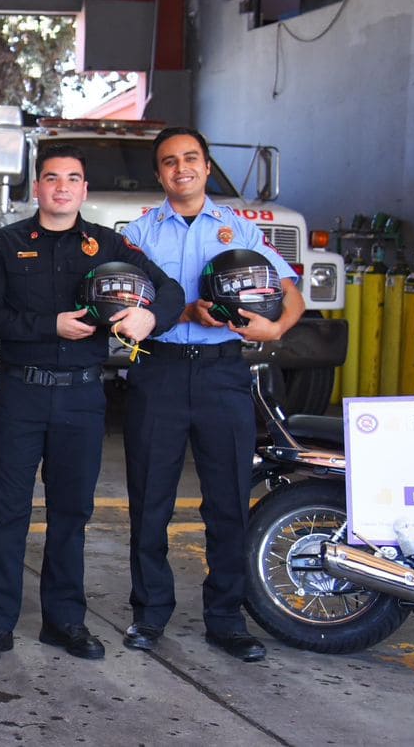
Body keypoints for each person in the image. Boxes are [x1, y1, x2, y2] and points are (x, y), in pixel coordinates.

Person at [0, 146, 182, 665]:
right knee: (5, 512)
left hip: (83, 396)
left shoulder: (110, 245)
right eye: (51, 178)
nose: (62, 187)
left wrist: (149, 320)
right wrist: (49, 326)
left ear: (84, 191)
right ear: (36, 188)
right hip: (20, 391)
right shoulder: (4, 244)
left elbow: (169, 291)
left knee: (71, 514)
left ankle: (64, 622)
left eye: (73, 179)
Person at [120, 126, 302, 663]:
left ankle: (226, 618)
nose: (182, 168)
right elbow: (127, 303)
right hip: (160, 373)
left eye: (191, 158)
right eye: (170, 161)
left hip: (224, 375)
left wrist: (276, 330)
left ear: (205, 166)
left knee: (227, 503)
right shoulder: (138, 233)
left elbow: (290, 291)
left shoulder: (239, 228)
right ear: (159, 174)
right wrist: (182, 312)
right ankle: (149, 615)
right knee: (150, 501)